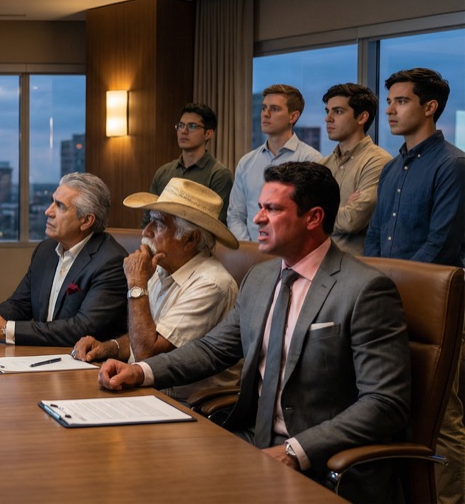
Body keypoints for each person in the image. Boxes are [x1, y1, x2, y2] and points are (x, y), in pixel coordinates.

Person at [100, 162, 411, 502]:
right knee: (139, 473)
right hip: (252, 441)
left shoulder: (365, 289)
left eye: (272, 209)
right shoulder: (261, 278)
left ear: (313, 218)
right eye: (260, 207)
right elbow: (212, 350)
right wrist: (140, 371)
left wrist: (296, 450)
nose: (257, 219)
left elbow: (385, 403)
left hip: (323, 462)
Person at [364, 67, 465, 504]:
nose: (389, 109)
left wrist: (386, 288)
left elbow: (439, 247)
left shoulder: (453, 165)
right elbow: (372, 239)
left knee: (442, 417)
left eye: (400, 101)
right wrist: (369, 285)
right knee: (395, 409)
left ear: (430, 107)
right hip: (388, 306)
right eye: (389, 101)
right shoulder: (392, 168)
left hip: (437, 309)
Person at [74, 178, 240, 403]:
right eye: (149, 221)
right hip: (145, 392)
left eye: (159, 223)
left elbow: (147, 353)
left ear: (190, 239)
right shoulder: (162, 268)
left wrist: (136, 283)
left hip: (187, 406)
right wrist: (108, 347)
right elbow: (146, 334)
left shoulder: (211, 283)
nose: (146, 231)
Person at [0, 173, 126, 346]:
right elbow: (20, 304)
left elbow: (81, 328)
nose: (48, 211)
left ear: (86, 221)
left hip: (89, 366)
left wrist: (4, 330)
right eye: (52, 201)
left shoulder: (111, 261)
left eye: (60, 206)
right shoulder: (46, 250)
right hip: (42, 356)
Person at [227, 84, 321, 241]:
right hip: (251, 254)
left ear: (293, 116)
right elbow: (236, 215)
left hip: (293, 257)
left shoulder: (311, 160)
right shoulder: (246, 162)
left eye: (275, 109)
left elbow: (311, 218)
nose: (265, 114)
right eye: (264, 108)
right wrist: (250, 251)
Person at [318, 83, 391, 255]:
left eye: (338, 111)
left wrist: (318, 214)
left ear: (361, 118)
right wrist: (342, 209)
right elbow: (302, 215)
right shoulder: (323, 164)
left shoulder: (378, 161)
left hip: (353, 268)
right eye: (327, 111)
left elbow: (353, 220)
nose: (328, 118)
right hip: (318, 262)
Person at [141, 103, 232, 226]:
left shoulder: (219, 174)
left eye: (192, 126)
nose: (184, 131)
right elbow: (148, 220)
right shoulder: (163, 172)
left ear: (208, 134)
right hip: (160, 241)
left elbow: (217, 225)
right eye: (181, 125)